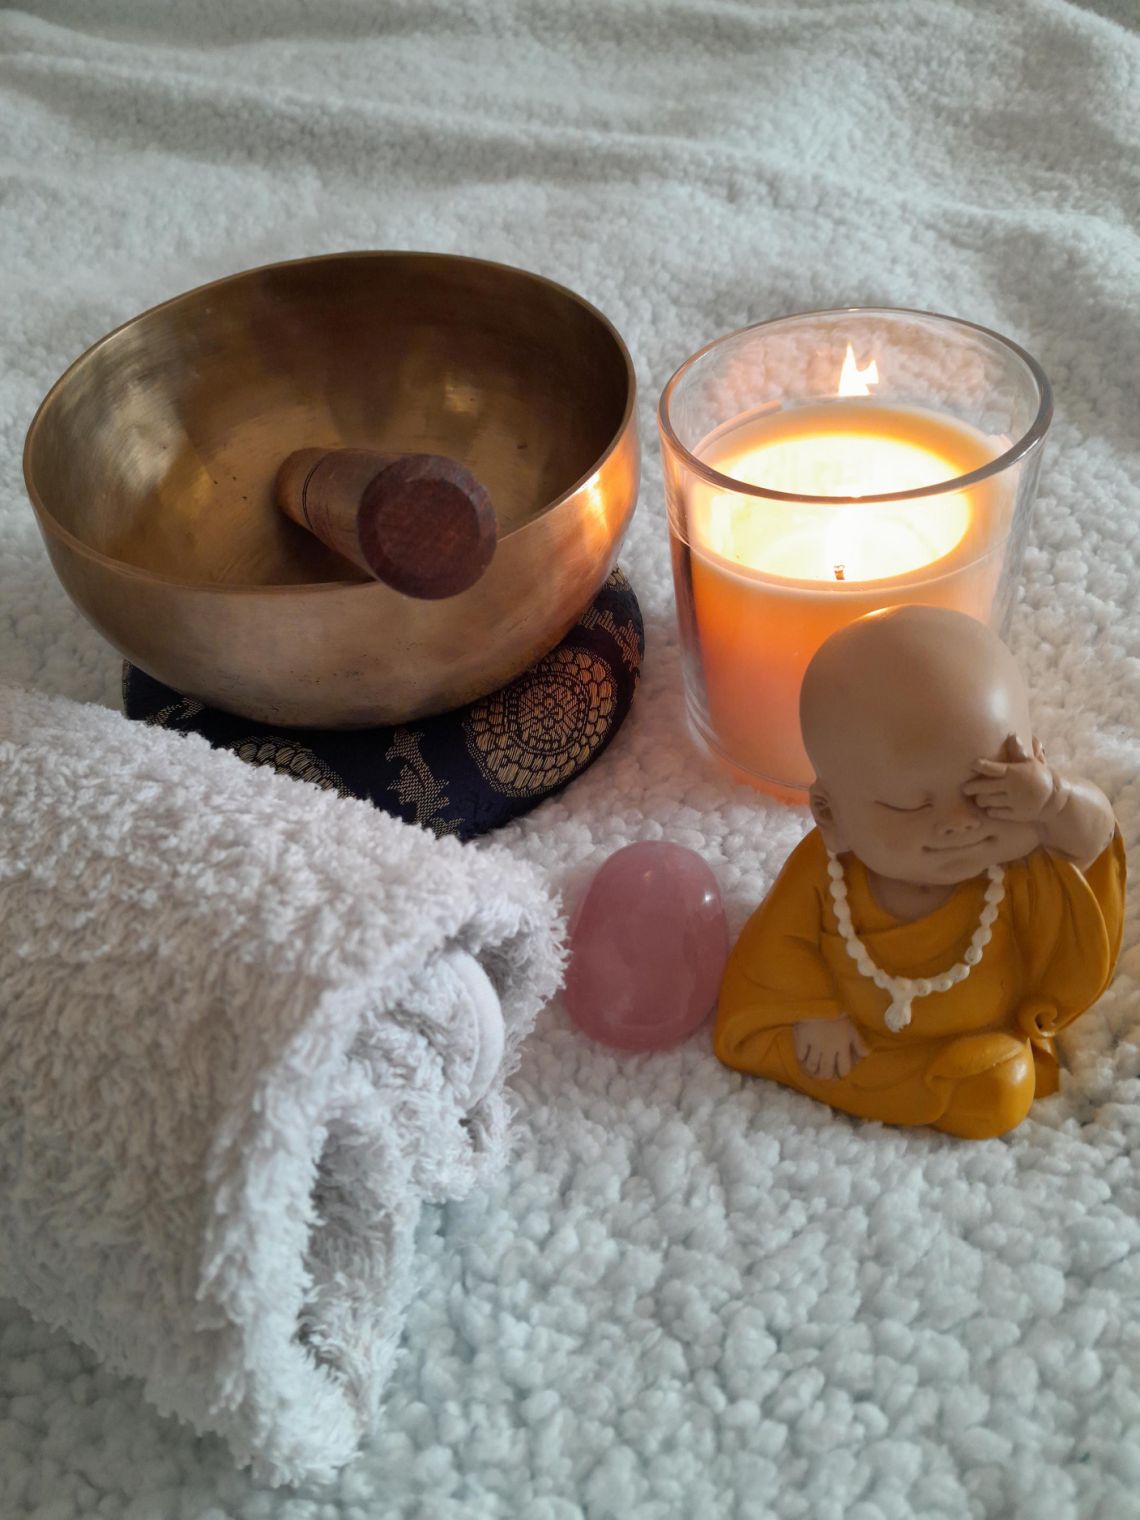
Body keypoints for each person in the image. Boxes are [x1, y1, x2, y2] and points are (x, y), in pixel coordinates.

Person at [714, 606, 1125, 1139]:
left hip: (969, 1049)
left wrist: (1052, 802)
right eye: (913, 806)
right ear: (831, 815)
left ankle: (943, 1080)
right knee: (759, 1040)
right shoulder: (826, 870)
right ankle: (894, 1079)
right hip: (845, 1040)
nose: (959, 823)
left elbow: (1095, 839)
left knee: (1000, 1090)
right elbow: (777, 947)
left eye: (988, 791)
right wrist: (816, 1011)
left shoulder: (1017, 861)